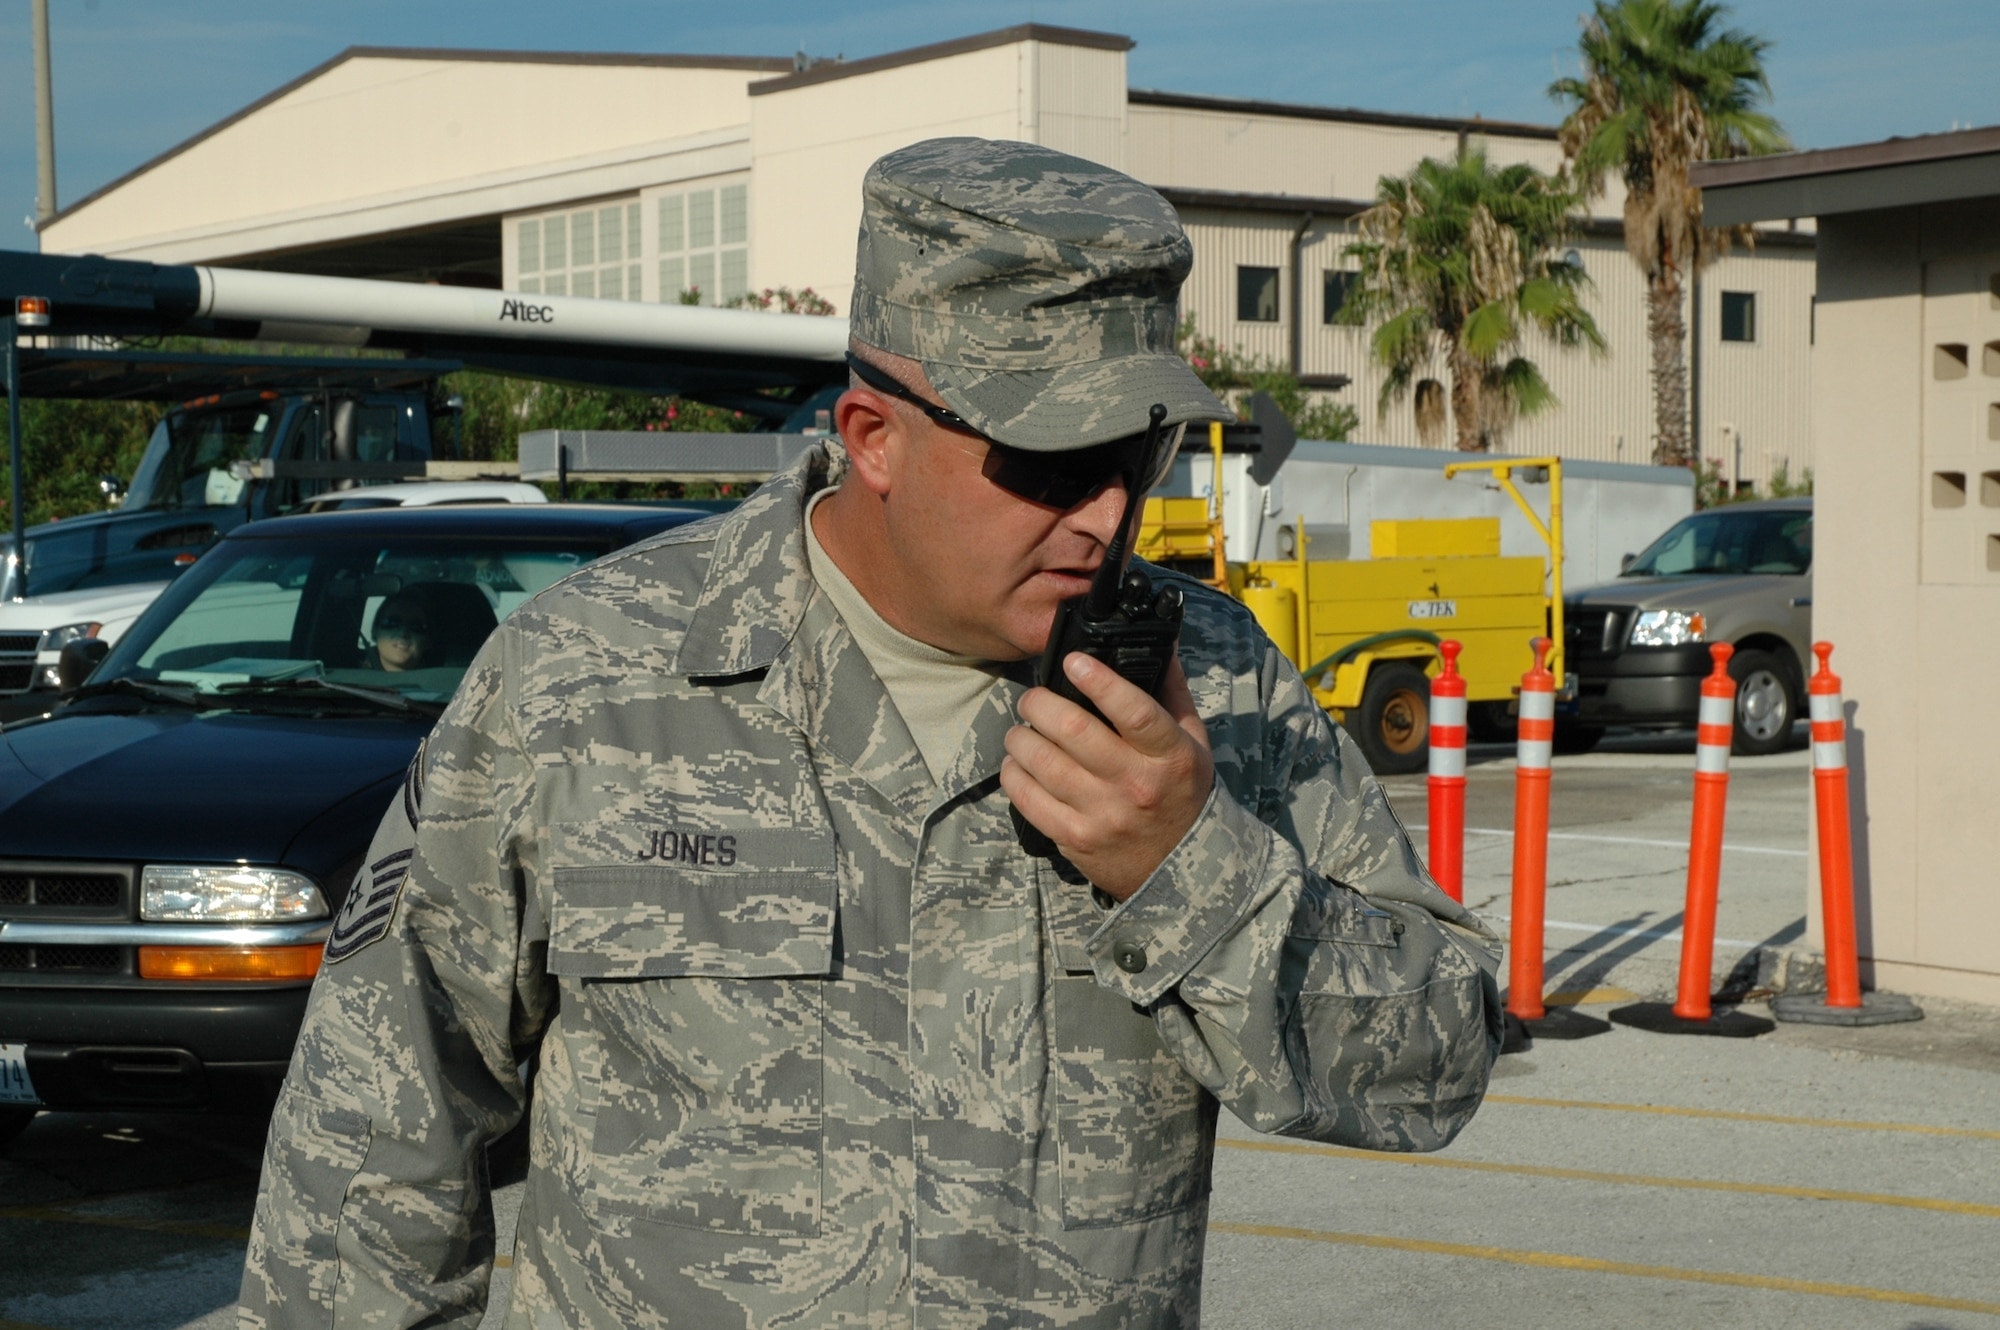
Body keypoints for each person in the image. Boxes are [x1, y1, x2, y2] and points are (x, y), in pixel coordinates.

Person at [241, 137, 1501, 1329]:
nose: (1108, 512)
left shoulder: (1215, 694)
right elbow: (372, 1137)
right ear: (874, 437)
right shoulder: (586, 678)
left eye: (1140, 451)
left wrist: (1192, 870)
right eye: (1052, 459)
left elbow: (1434, 1068)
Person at [368, 590, 433, 672]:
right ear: (375, 630)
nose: (403, 633)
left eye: (415, 626)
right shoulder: (352, 679)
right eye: (392, 623)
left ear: (428, 640)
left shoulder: (445, 682)